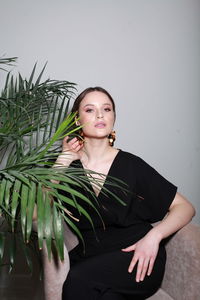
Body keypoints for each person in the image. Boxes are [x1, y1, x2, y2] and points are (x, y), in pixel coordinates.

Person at [54, 87, 195, 300]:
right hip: (92, 256)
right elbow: (36, 212)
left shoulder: (132, 165)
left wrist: (153, 237)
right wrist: (64, 159)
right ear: (77, 120)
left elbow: (185, 207)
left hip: (138, 255)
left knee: (78, 279)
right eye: (90, 110)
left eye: (107, 109)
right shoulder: (65, 167)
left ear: (113, 118)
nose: (100, 115)